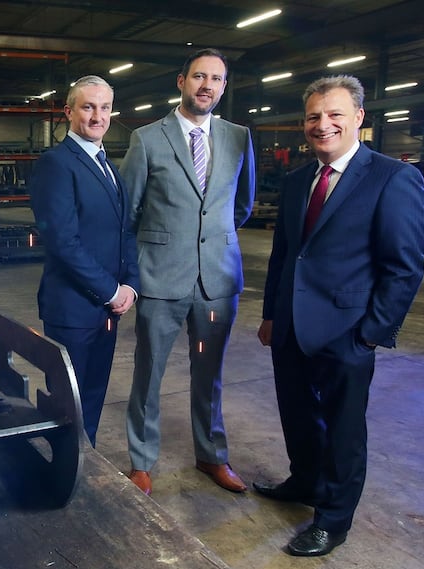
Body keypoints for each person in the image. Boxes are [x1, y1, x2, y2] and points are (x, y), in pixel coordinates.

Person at [256, 75, 424, 556]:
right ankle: (304, 480)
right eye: (313, 117)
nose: (322, 124)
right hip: (291, 325)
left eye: (334, 115)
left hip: (347, 330)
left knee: (344, 429)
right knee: (296, 413)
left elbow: (404, 267)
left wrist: (371, 334)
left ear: (358, 119)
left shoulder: (391, 178)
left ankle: (332, 518)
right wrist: (272, 314)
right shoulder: (296, 182)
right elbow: (285, 255)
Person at [121, 48, 256, 495]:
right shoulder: (147, 138)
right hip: (161, 277)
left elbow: (243, 205)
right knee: (149, 372)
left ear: (223, 86)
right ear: (181, 81)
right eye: (199, 76)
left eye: (216, 79)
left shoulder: (239, 137)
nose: (208, 86)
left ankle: (211, 456)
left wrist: (209, 241)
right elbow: (130, 209)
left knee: (210, 372)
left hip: (217, 279)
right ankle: (141, 461)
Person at [29, 75, 139, 447]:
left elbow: (125, 233)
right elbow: (62, 240)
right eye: (88, 107)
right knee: (67, 405)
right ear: (69, 112)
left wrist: (131, 287)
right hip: (74, 310)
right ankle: (62, 476)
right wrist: (111, 290)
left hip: (107, 309)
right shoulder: (57, 164)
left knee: (91, 398)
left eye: (105, 107)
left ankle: (85, 466)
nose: (97, 116)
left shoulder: (109, 167)